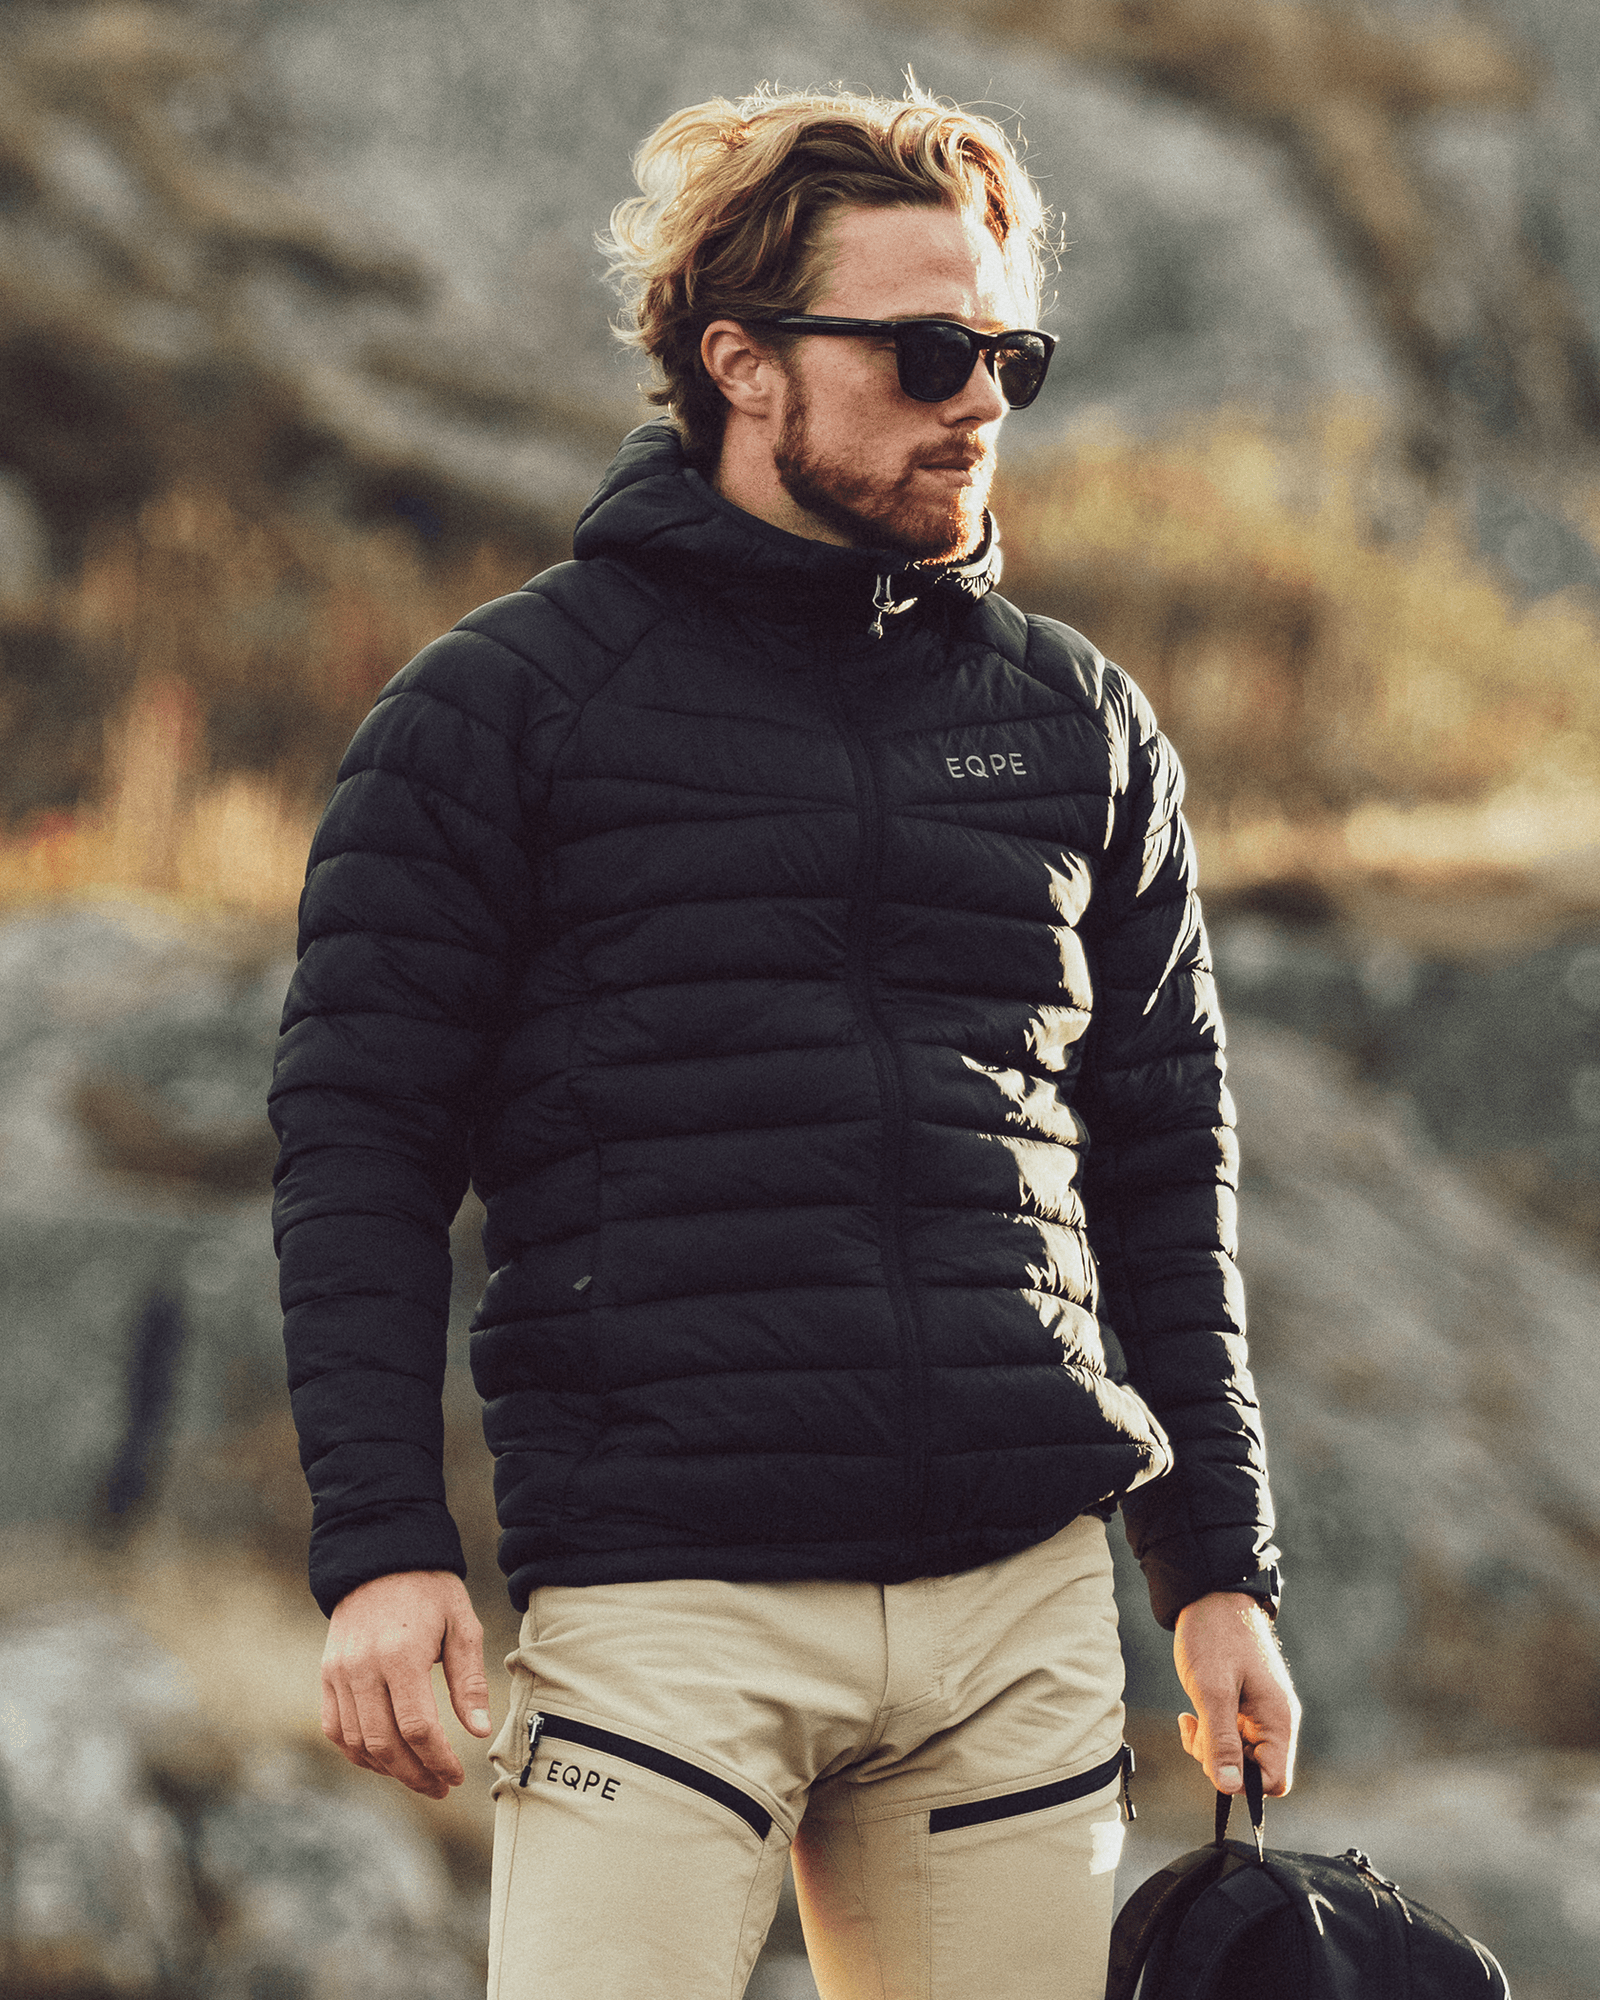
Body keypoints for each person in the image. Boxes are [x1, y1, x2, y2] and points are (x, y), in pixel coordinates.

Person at [270, 83, 1300, 2000]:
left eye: (1007, 355)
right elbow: (359, 1150)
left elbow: (1163, 1156)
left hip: (1013, 1614)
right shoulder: (499, 712)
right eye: (924, 354)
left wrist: (1219, 1569)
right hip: (669, 1606)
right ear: (741, 361)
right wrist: (384, 1549)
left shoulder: (1078, 724)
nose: (977, 402)